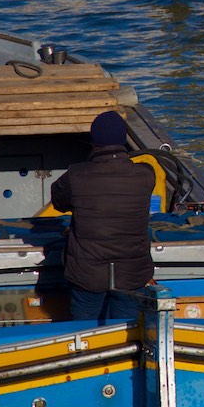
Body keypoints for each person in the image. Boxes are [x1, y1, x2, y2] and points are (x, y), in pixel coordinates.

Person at [49, 110, 156, 322]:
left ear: (94, 142)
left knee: (85, 333)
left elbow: (59, 201)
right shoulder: (145, 175)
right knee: (126, 330)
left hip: (87, 274)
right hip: (131, 272)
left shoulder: (77, 175)